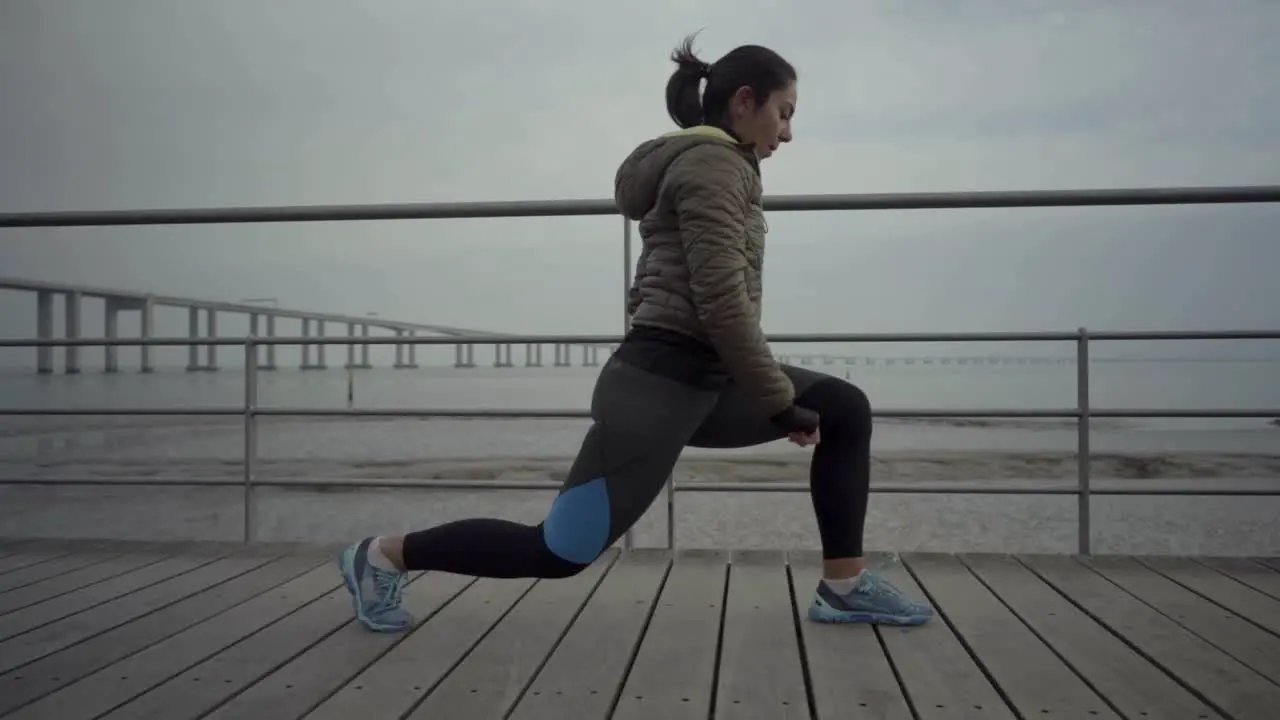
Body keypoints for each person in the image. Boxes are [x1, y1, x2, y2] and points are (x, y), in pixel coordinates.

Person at [337, 34, 934, 633]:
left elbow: (667, 279)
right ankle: (383, 555)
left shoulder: (717, 166)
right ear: (745, 102)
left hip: (703, 381)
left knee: (844, 407)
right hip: (657, 392)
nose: (788, 132)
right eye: (785, 113)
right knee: (557, 551)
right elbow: (723, 303)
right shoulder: (713, 166)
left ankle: (844, 586)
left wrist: (764, 391)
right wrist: (778, 404)